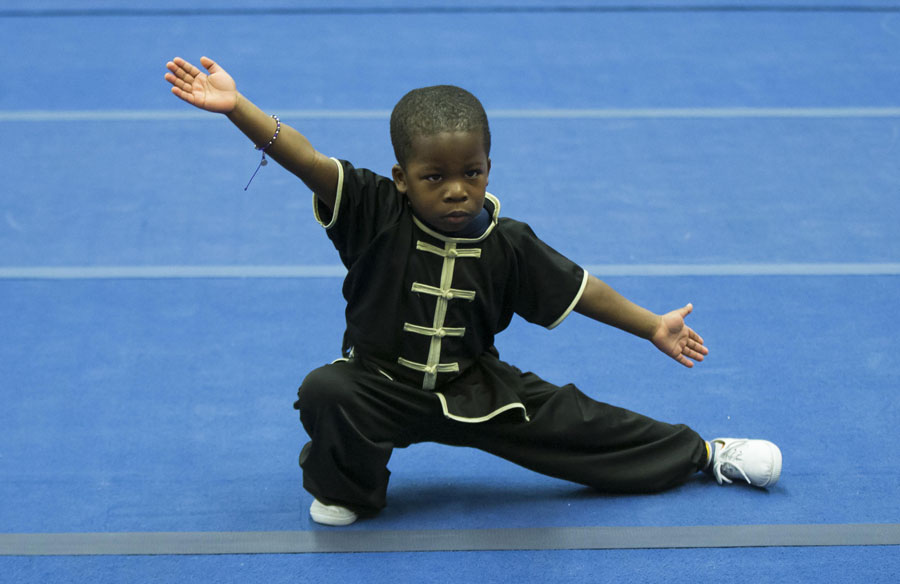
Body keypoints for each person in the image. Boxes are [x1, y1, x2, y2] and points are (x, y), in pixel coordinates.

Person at [165, 56, 782, 527]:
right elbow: (307, 159)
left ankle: (703, 454)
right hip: (378, 387)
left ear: (489, 166)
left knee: (582, 422)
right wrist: (240, 108)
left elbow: (580, 288)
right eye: (435, 177)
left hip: (474, 387)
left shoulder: (507, 242)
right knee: (326, 391)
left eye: (472, 172)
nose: (456, 190)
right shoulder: (373, 210)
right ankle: (348, 487)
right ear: (402, 179)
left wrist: (651, 324)